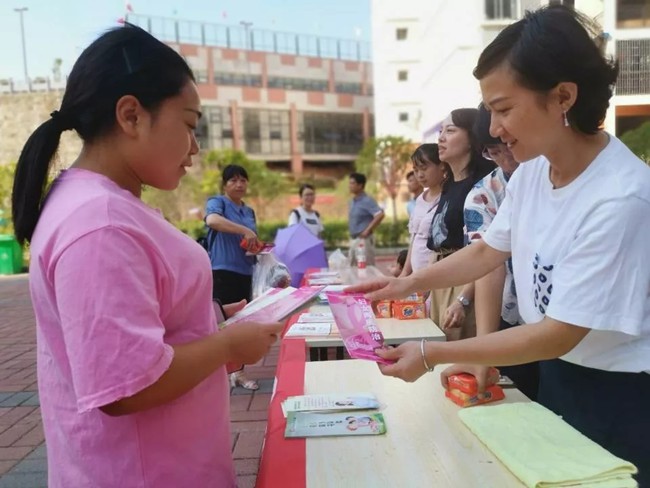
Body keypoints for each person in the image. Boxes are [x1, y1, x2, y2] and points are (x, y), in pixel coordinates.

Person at [348, 6, 649, 485]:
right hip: (559, 373)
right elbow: (489, 251)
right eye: (490, 110)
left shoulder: (620, 197)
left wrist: (431, 353)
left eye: (504, 109)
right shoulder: (532, 171)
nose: (493, 128)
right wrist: (404, 283)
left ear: (563, 97)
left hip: (618, 392)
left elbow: (558, 332)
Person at [10, 25, 283, 487]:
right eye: (190, 125)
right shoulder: (101, 223)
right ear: (132, 115)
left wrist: (212, 315)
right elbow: (125, 383)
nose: (195, 148)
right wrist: (227, 346)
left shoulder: (96, 205)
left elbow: (136, 320)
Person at [462, 103, 539, 400]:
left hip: (563, 322)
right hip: (513, 314)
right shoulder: (484, 193)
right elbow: (487, 262)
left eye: (509, 145)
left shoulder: (550, 173)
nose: (508, 158)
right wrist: (484, 348)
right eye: (495, 151)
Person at [428, 109, 495, 340]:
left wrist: (464, 299)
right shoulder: (448, 184)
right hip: (442, 279)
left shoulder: (485, 183)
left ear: (471, 138)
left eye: (451, 130)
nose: (441, 137)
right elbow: (437, 244)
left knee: (462, 355)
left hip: (468, 281)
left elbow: (488, 250)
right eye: (440, 131)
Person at [205, 164, 262, 390]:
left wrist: (256, 245)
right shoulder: (217, 202)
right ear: (225, 184)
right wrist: (244, 231)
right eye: (233, 180)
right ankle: (222, 373)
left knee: (241, 323)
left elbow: (251, 240)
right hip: (222, 271)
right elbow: (212, 221)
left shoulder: (248, 211)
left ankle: (237, 372)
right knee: (222, 324)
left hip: (245, 271)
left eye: (243, 180)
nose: (239, 184)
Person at [399, 144, 449, 279]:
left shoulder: (449, 198)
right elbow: (414, 239)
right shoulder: (420, 199)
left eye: (424, 168)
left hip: (437, 277)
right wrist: (405, 273)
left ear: (442, 165)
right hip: (417, 277)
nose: (419, 175)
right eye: (416, 170)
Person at [348, 172, 385, 266]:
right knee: (352, 268)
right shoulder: (352, 201)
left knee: (366, 268)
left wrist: (368, 230)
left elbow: (380, 214)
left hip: (363, 240)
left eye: (352, 183)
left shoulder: (367, 200)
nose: (350, 186)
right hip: (353, 239)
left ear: (360, 185)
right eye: (350, 183)